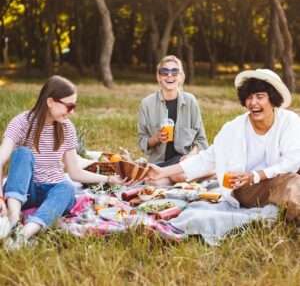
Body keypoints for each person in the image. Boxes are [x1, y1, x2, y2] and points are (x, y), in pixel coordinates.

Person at [147, 69, 300, 225]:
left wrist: (257, 174)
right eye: (249, 97)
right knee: (290, 181)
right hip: (246, 187)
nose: (253, 103)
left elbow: (293, 160)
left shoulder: (289, 121)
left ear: (273, 100)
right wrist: (163, 171)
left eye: (260, 97)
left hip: (272, 175)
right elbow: (206, 159)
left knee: (292, 174)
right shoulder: (233, 129)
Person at [0, 75, 127, 249]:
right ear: (50, 102)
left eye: (74, 106)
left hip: (51, 190)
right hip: (24, 192)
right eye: (69, 106)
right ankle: (13, 222)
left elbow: (74, 172)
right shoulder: (22, 122)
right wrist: (1, 198)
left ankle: (23, 234)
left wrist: (109, 179)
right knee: (22, 153)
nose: (72, 112)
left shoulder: (67, 128)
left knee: (66, 188)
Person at [138, 55, 208, 183]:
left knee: (178, 176)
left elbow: (201, 140)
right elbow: (143, 141)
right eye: (165, 72)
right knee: (151, 182)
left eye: (175, 72)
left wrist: (190, 156)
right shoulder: (147, 104)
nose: (170, 75)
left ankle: (211, 174)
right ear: (159, 77)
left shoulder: (190, 101)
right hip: (160, 163)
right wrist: (157, 138)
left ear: (180, 77)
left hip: (183, 162)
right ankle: (184, 177)